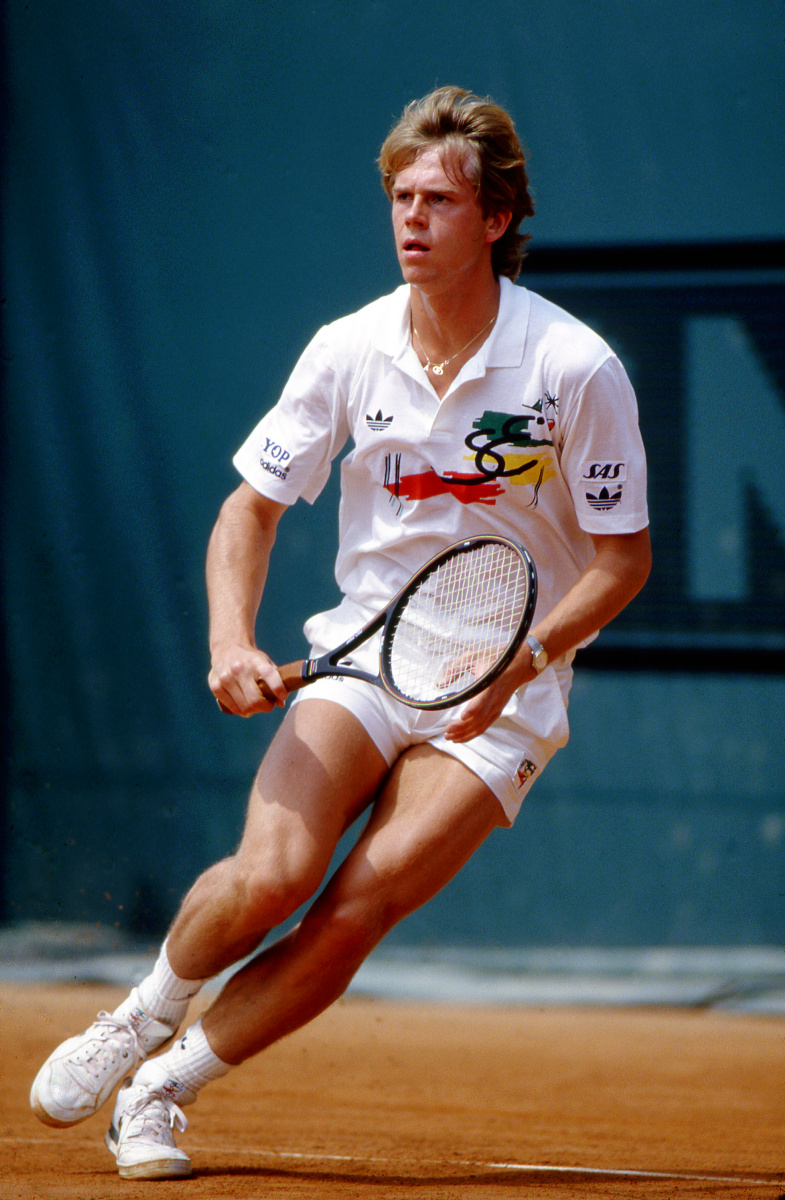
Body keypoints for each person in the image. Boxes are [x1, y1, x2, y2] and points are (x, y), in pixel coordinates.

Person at [30, 85, 651, 1180]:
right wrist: (232, 639)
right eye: (398, 198)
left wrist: (527, 661)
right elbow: (248, 511)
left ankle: (161, 1089)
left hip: (505, 685)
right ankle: (141, 1013)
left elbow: (621, 560)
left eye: (438, 201)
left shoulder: (574, 368)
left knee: (361, 899)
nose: (411, 220)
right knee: (272, 874)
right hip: (365, 661)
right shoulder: (346, 349)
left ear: (495, 219)